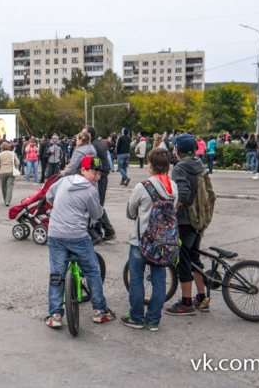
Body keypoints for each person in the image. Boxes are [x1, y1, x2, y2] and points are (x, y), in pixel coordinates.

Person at [44, 155, 115, 328]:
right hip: (77, 236)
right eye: (94, 172)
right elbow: (97, 214)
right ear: (83, 170)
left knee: (56, 274)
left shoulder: (65, 180)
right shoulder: (90, 190)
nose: (97, 177)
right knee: (91, 271)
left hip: (55, 234)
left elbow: (49, 196)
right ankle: (100, 311)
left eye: (99, 174)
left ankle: (54, 315)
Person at [121, 147, 178, 330]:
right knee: (159, 280)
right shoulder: (173, 186)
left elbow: (130, 212)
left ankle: (137, 318)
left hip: (140, 241)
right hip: (163, 243)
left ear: (150, 165)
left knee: (136, 279)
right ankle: (153, 320)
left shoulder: (143, 186)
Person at [165, 133, 208, 316]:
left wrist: (170, 209)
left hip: (185, 221)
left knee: (182, 261)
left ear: (178, 150)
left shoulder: (180, 168)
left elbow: (183, 194)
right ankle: (201, 297)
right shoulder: (198, 164)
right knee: (194, 258)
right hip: (199, 218)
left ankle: (186, 302)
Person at [84, 126, 116, 242]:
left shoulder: (94, 146)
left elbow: (100, 164)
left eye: (84, 133)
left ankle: (107, 230)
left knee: (97, 204)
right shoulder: (98, 144)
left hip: (99, 177)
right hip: (101, 176)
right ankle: (100, 230)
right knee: (97, 203)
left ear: (89, 134)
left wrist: (97, 176)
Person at [0, 142, 19, 206]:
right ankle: (8, 201)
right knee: (10, 186)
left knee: (3, 186)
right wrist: (15, 167)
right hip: (11, 171)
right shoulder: (12, 153)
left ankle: (5, 199)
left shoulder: (0, 154)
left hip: (2, 172)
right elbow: (17, 162)